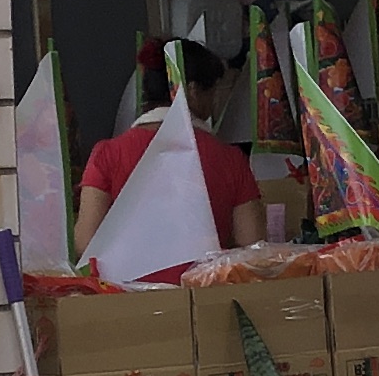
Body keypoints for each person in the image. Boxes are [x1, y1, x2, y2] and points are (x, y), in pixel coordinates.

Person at [71, 42, 268, 277]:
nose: (214, 103)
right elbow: (253, 244)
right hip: (203, 297)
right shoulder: (229, 159)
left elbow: (85, 243)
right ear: (193, 91)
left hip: (125, 301)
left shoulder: (107, 154)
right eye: (212, 92)